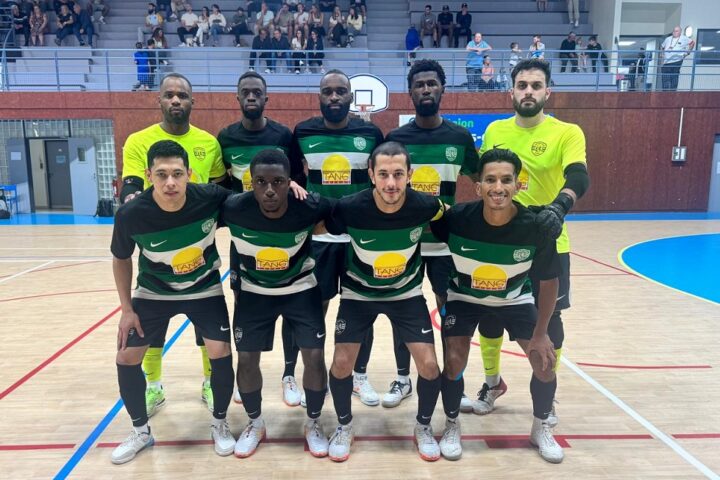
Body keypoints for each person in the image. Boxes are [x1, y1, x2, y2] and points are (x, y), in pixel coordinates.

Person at [476, 58, 590, 425]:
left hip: (548, 242)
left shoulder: (567, 132)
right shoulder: (495, 130)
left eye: (536, 86)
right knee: (489, 316)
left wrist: (559, 206)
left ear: (547, 92)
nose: (528, 91)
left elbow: (579, 176)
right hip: (500, 245)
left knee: (549, 321)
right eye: (522, 85)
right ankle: (492, 384)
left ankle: (546, 397)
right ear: (511, 91)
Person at [432, 147, 564, 463]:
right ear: (478, 186)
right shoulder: (456, 219)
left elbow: (549, 282)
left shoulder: (536, 227)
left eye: (506, 180)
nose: (498, 187)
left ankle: (540, 428)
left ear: (518, 184)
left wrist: (541, 333)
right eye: (490, 180)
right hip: (464, 298)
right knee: (454, 360)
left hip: (515, 298)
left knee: (544, 363)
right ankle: (451, 425)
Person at [110, 139, 236, 465]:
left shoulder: (210, 198)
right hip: (154, 293)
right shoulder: (131, 214)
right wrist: (126, 309)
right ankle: (141, 432)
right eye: (162, 174)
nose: (170, 182)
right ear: (148, 175)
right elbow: (121, 259)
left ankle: (220, 424)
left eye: (177, 174)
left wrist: (293, 185)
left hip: (204, 289)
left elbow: (250, 203)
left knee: (221, 351)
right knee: (126, 357)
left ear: (189, 174)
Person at [322, 141, 445, 462]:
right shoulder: (350, 207)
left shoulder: (426, 205)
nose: (391, 183)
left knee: (430, 366)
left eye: (398, 174)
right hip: (358, 294)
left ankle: (423, 426)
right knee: (341, 363)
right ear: (371, 175)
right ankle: (344, 426)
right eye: (384, 174)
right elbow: (318, 222)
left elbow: (453, 219)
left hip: (406, 294)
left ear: (410, 175)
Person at [121, 73, 229, 418]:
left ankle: (211, 382)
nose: (175, 100)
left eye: (182, 95)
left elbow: (221, 190)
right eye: (169, 95)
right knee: (151, 326)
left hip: (198, 241)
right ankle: (153, 385)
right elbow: (130, 190)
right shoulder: (138, 141)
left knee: (208, 327)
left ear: (192, 101)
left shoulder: (209, 143)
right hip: (157, 244)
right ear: (159, 100)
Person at [223, 149, 332, 458]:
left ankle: (313, 422)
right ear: (250, 182)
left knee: (314, 356)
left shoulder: (309, 205)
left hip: (301, 290)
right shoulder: (232, 207)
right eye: (261, 182)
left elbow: (345, 210)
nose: (269, 189)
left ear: (289, 182)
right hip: (254, 292)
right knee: (246, 360)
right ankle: (255, 423)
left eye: (278, 182)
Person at [385, 59, 479, 411]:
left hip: (444, 244)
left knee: (450, 313)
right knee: (402, 310)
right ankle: (402, 378)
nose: (426, 89)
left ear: (442, 89)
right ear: (410, 92)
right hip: (405, 243)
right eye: (419, 84)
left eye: (432, 83)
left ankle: (454, 381)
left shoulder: (459, 137)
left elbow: (481, 179)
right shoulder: (397, 139)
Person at [289, 69, 385, 408]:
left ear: (350, 97)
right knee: (315, 310)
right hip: (320, 241)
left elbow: (380, 182)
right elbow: (293, 181)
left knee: (362, 309)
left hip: (359, 240)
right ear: (319, 96)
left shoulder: (370, 133)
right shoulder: (303, 132)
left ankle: (359, 375)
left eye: (340, 91)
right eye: (327, 91)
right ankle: (314, 376)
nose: (334, 96)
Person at [217, 72, 308, 406]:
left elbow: (297, 179)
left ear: (266, 98)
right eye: (246, 92)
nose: (251, 97)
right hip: (245, 233)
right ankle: (245, 374)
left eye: (257, 92)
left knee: (290, 298)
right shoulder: (226, 137)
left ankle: (288, 375)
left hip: (282, 230)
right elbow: (221, 184)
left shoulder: (283, 134)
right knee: (243, 299)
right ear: (237, 98)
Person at [660, 26, 695, 92]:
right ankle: (665, 93)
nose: (674, 32)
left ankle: (673, 93)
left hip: (677, 60)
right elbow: (662, 46)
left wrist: (688, 52)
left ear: (680, 32)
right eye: (674, 31)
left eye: (676, 31)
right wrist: (662, 54)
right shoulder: (668, 39)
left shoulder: (684, 38)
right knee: (665, 78)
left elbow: (692, 43)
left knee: (674, 77)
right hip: (666, 62)